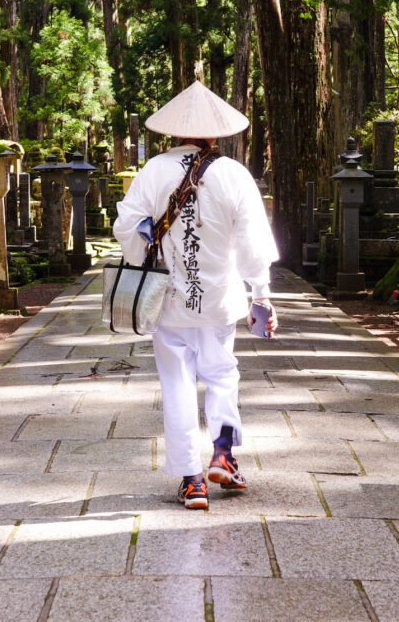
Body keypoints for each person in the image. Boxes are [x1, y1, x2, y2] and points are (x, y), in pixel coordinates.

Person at [113, 81, 279, 509]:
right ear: (215, 133)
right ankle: (223, 453)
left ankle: (191, 480)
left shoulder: (153, 170)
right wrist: (260, 293)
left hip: (169, 301)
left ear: (175, 132)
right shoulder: (233, 173)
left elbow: (126, 230)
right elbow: (252, 241)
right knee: (222, 373)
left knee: (178, 383)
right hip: (221, 297)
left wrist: (149, 240)